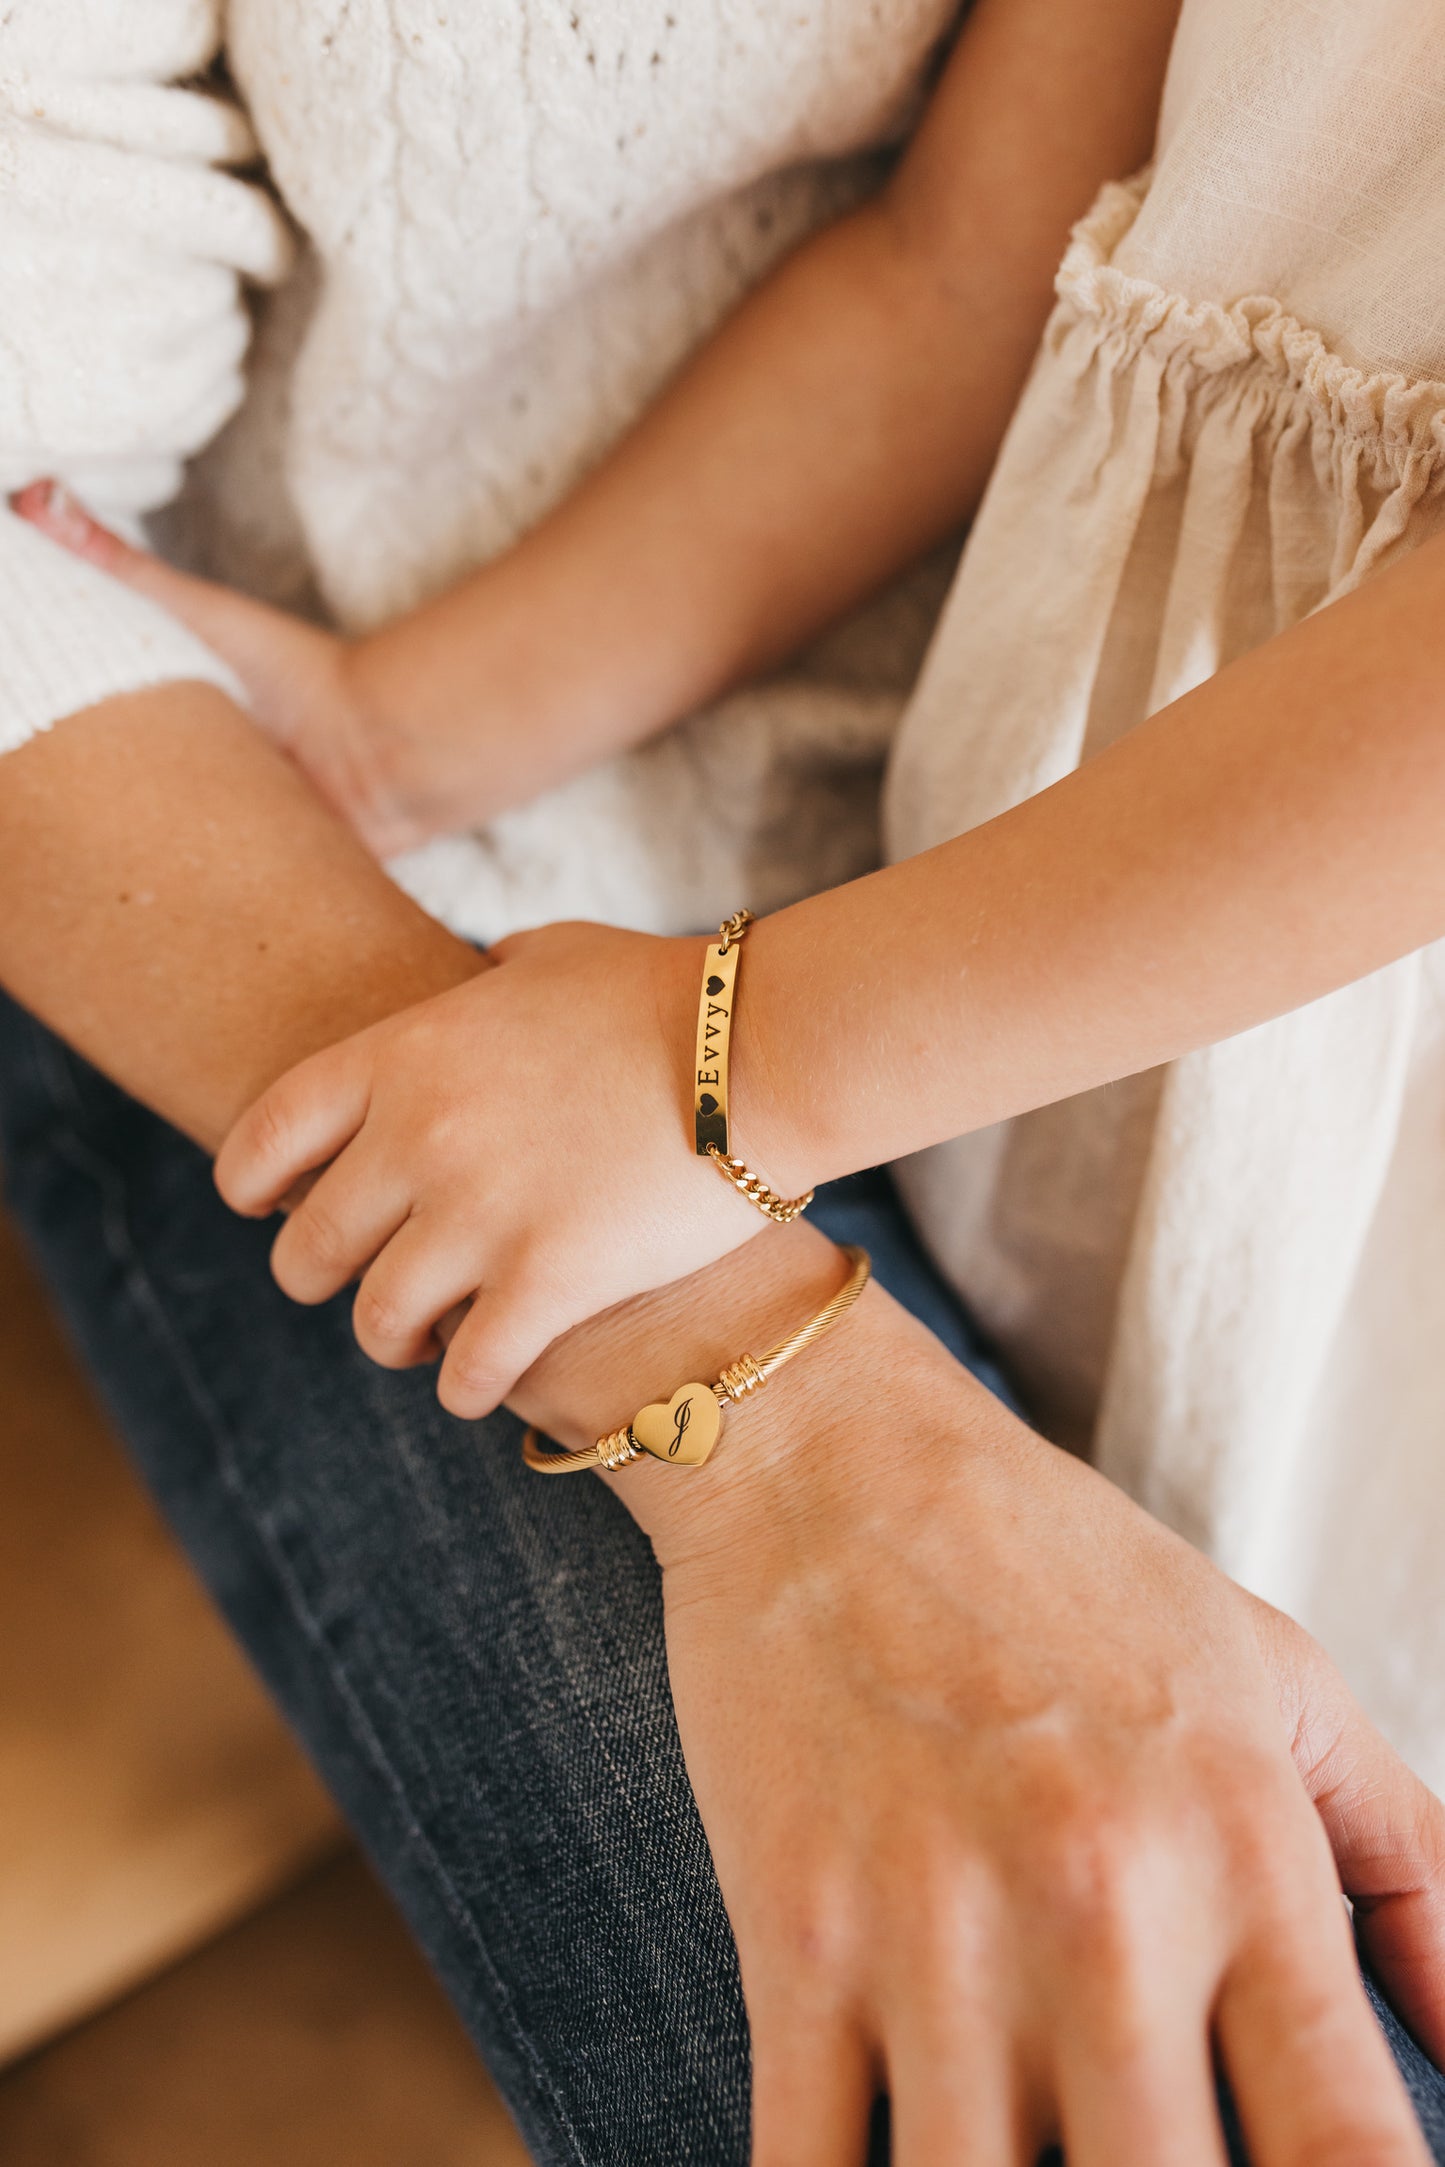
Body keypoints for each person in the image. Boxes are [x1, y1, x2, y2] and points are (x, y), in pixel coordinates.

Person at [3, 2, 1445, 2163]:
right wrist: (415, 742)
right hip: (424, 884)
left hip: (1086, 977)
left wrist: (733, 1069)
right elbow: (973, 251)